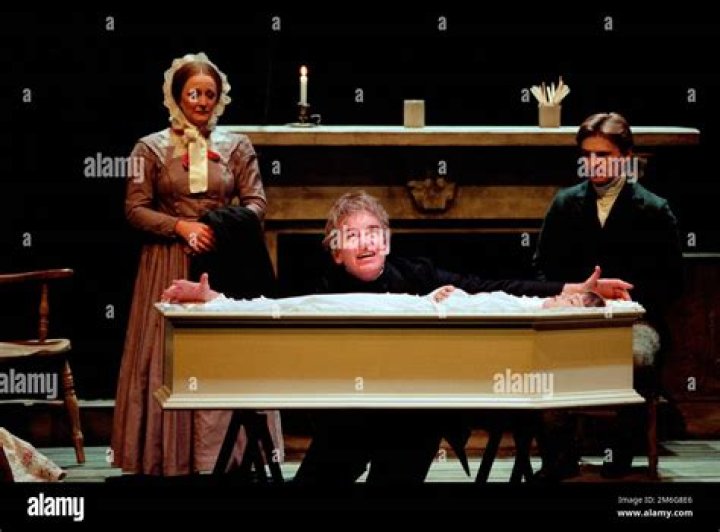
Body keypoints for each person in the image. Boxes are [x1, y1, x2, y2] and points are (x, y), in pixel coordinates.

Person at [166, 190, 633, 483]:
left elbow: (493, 288)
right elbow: (269, 308)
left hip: (412, 416)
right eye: (352, 236)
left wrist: (572, 289)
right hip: (346, 416)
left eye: (374, 232)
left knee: (409, 443)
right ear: (335, 251)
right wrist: (213, 299)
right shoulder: (317, 285)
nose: (366, 242)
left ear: (387, 242)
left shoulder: (419, 275)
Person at [111, 52, 281, 476]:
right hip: (169, 261)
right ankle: (168, 456)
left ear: (219, 99)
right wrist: (181, 226)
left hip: (224, 261)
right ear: (176, 96)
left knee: (223, 353)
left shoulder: (236, 146)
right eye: (194, 94)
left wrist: (220, 227)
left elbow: (257, 203)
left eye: (209, 94)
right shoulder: (149, 148)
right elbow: (134, 209)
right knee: (169, 355)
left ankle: (232, 453)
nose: (202, 102)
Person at [532, 112, 684, 480]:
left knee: (634, 355)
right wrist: (577, 294)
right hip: (574, 316)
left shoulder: (654, 209)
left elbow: (672, 282)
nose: (594, 163)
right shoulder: (565, 204)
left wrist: (625, 298)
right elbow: (542, 270)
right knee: (541, 353)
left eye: (603, 155)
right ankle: (559, 456)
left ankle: (620, 453)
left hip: (636, 319)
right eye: (587, 155)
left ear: (626, 156)